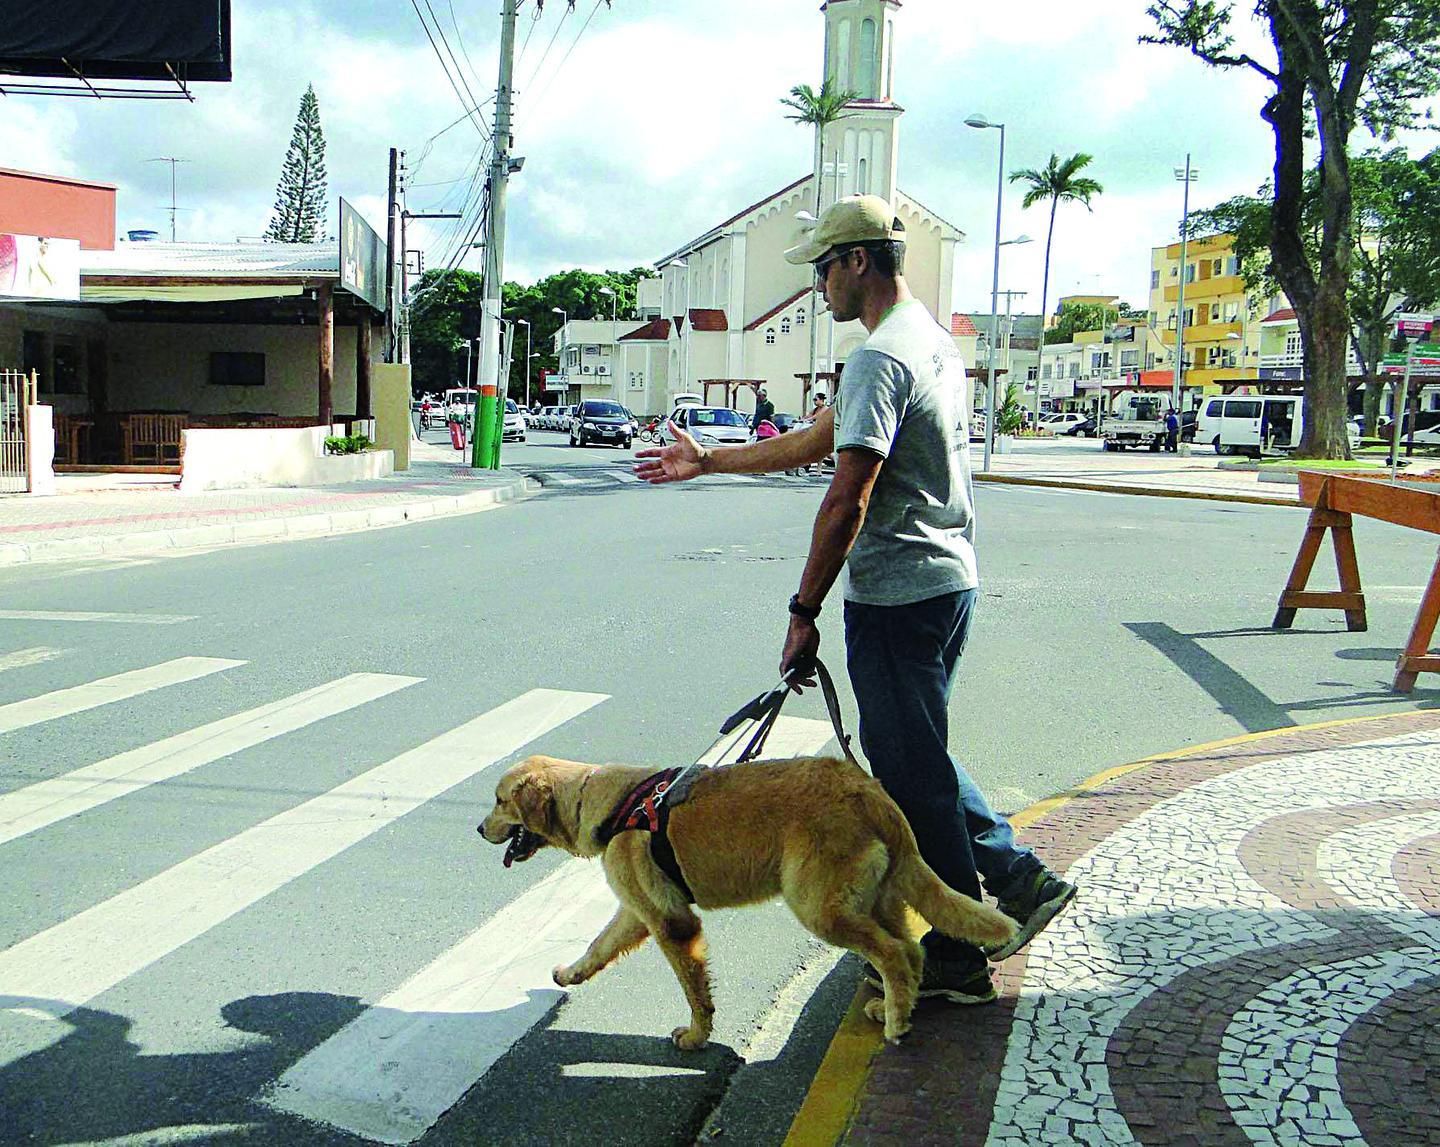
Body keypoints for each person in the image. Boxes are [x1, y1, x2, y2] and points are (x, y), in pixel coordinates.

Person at [635, 195, 1075, 1003]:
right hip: (948, 583)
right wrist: (713, 461)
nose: (817, 287)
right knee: (914, 756)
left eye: (823, 268)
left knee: (912, 771)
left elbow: (847, 494)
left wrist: (803, 611)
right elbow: (815, 440)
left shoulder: (880, 358)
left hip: (898, 596)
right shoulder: (929, 343)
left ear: (859, 262)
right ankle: (1018, 879)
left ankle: (958, 954)